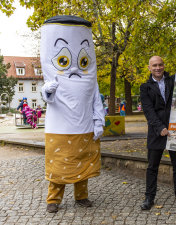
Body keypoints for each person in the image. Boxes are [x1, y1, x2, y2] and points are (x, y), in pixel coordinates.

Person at [40, 15, 105, 213]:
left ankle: (82, 197)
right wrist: (48, 90)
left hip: (84, 127)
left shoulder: (90, 80)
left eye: (83, 60)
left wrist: (98, 122)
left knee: (83, 164)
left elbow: (96, 101)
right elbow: (47, 97)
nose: (76, 66)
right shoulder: (55, 78)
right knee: (58, 166)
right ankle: (53, 200)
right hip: (59, 129)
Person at [140, 56, 176, 211]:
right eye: (154, 65)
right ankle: (149, 197)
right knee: (152, 167)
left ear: (164, 65)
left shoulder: (173, 80)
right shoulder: (145, 87)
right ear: (149, 68)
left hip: (175, 130)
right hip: (156, 132)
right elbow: (148, 111)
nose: (158, 68)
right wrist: (160, 128)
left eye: (160, 65)